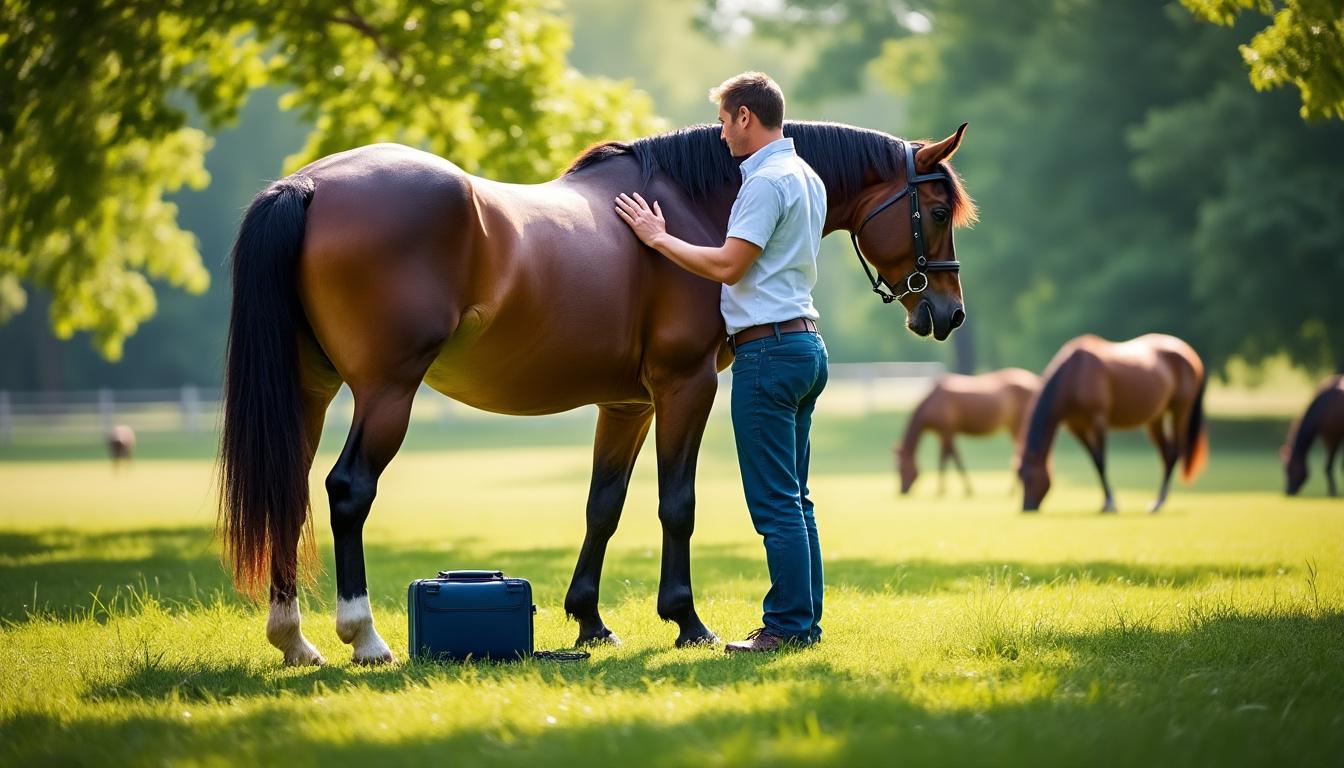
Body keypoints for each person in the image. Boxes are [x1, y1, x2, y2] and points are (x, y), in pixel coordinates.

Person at [615, 71, 828, 653]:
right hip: (806, 344)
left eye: (723, 120)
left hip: (767, 352)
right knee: (797, 500)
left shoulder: (764, 182)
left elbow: (730, 265)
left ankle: (785, 629)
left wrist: (657, 238)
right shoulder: (807, 176)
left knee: (775, 504)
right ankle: (804, 624)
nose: (719, 133)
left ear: (745, 117)